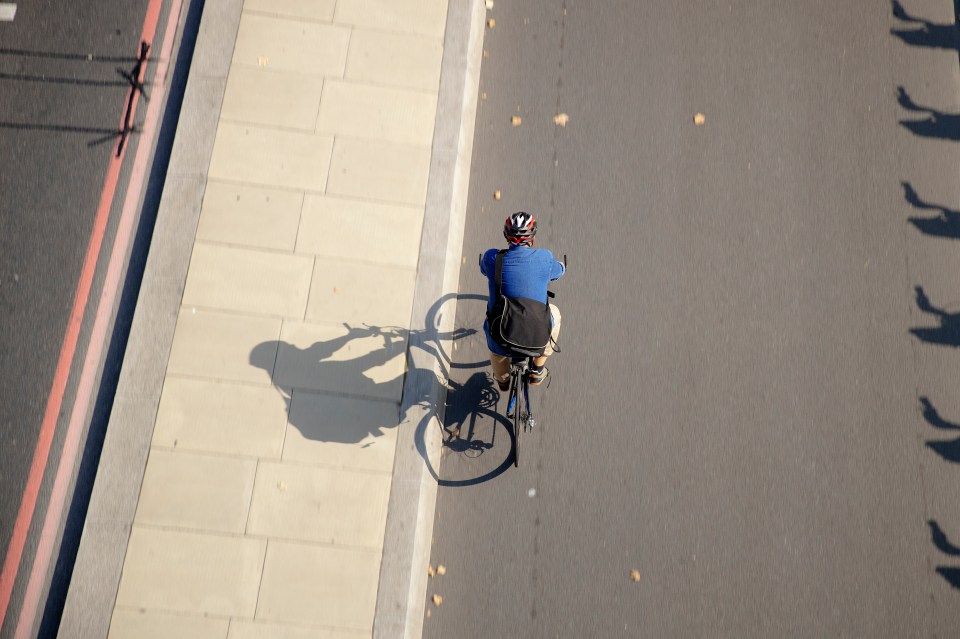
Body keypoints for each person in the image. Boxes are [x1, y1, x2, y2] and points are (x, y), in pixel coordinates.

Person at [480, 211, 565, 390]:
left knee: (497, 350)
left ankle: (503, 382)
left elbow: (483, 268)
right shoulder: (545, 258)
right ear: (532, 239)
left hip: (501, 334)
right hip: (537, 336)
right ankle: (537, 370)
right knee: (555, 314)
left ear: (506, 236)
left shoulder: (491, 259)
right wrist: (562, 267)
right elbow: (559, 271)